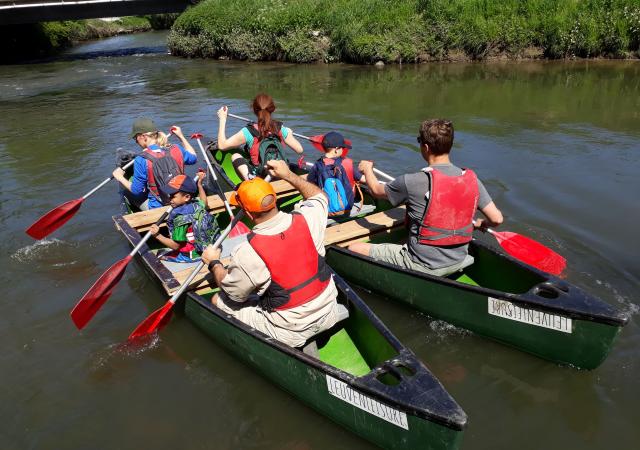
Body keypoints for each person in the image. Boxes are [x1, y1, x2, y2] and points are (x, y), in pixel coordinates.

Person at [201, 160, 339, 348]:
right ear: (275, 198)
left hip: (291, 330)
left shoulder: (247, 252)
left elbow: (234, 294)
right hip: (329, 311)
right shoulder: (308, 218)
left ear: (248, 214)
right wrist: (288, 175)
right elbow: (319, 195)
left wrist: (214, 262)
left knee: (219, 299)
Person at [350, 119, 503, 276]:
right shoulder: (472, 180)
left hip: (423, 263)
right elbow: (497, 219)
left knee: (354, 248)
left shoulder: (412, 181)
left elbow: (375, 190)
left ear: (426, 147)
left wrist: (368, 170)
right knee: (404, 239)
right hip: (459, 257)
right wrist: (480, 223)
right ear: (450, 145)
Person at [113, 118, 198, 210]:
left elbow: (137, 191)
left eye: (135, 138)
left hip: (159, 207)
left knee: (125, 192)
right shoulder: (176, 148)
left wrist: (119, 177)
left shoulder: (141, 159)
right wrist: (181, 136)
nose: (136, 142)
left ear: (143, 136)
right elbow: (193, 158)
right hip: (181, 200)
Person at [216, 93, 304, 180]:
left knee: (235, 156)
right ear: (273, 109)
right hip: (281, 174)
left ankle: (250, 182)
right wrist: (289, 134)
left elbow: (222, 146)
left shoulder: (248, 131)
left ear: (254, 110)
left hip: (262, 177)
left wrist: (222, 119)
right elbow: (300, 150)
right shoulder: (280, 128)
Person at [149, 172, 220, 263]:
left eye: (173, 196)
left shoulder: (180, 219)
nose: (169, 199)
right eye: (169, 196)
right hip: (206, 250)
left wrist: (157, 235)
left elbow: (176, 246)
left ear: (186, 197)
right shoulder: (196, 205)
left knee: (160, 253)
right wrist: (199, 185)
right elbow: (204, 202)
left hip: (190, 256)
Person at [307, 131, 365, 217]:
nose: (343, 149)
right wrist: (366, 171)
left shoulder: (318, 165)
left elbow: (309, 181)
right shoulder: (347, 163)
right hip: (347, 207)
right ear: (336, 149)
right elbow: (363, 179)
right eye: (342, 148)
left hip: (327, 209)